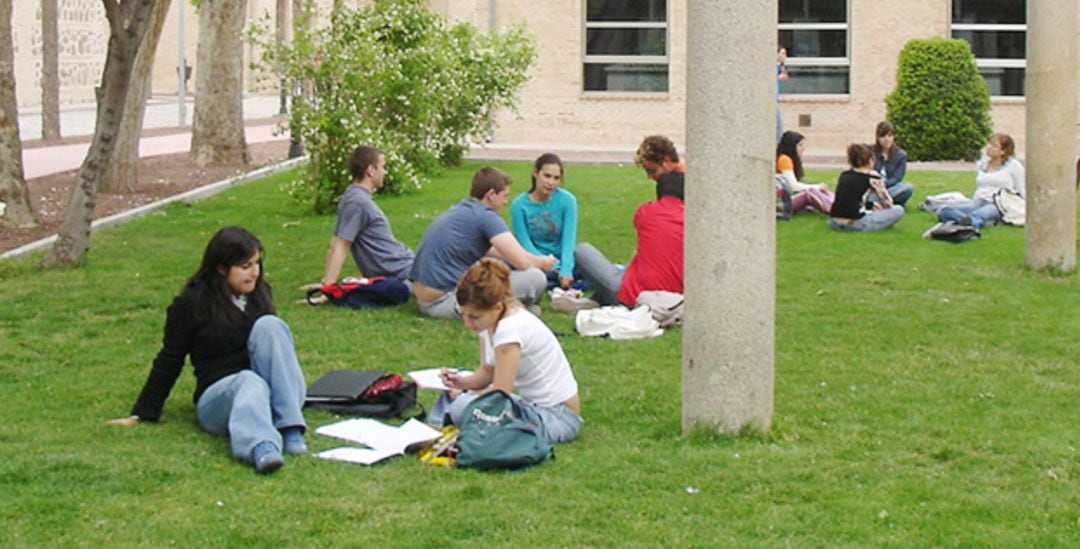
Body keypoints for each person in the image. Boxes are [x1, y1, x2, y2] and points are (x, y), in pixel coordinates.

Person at [107, 227, 307, 475]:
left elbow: (276, 352)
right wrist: (142, 413)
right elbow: (170, 359)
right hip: (222, 395)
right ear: (222, 269)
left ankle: (290, 427)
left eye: (257, 264)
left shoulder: (260, 292)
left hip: (269, 391)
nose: (254, 272)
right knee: (248, 381)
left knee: (271, 325)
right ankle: (261, 447)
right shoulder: (191, 304)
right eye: (246, 266)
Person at [430, 258, 582, 444]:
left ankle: (442, 428)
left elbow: (500, 394)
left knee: (462, 406)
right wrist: (461, 383)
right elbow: (488, 371)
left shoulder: (509, 329)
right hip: (530, 406)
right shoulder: (489, 324)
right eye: (464, 315)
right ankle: (446, 425)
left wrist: (466, 396)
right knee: (461, 400)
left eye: (474, 317)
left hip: (556, 416)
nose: (468, 323)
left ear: (497, 307)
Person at [409, 166, 555, 319]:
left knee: (499, 268)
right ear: (491, 194)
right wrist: (543, 262)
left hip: (424, 299)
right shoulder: (485, 216)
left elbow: (496, 253)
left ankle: (519, 309)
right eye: (504, 196)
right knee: (535, 277)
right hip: (448, 301)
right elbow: (522, 262)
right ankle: (522, 308)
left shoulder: (462, 209)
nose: (505, 202)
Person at [313, 145, 414, 304]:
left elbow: (335, 245)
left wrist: (327, 284)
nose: (385, 172)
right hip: (401, 271)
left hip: (406, 264)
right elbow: (340, 246)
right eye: (383, 167)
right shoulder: (358, 202)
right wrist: (328, 292)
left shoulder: (351, 196)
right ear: (370, 170)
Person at [575, 170, 684, 307]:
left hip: (631, 297)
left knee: (582, 250)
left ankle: (598, 300)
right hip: (674, 301)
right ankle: (597, 299)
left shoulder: (646, 211)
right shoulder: (692, 222)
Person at [510, 153, 580, 289]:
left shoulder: (568, 200)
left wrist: (565, 269)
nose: (551, 183)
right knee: (530, 275)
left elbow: (568, 240)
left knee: (587, 259)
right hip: (535, 260)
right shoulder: (519, 205)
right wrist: (548, 265)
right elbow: (525, 243)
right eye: (547, 176)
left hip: (563, 259)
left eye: (556, 178)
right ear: (535, 174)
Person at [937, 133, 1025, 229]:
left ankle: (968, 221)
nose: (988, 147)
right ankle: (967, 221)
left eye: (993, 145)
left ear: (1003, 151)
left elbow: (1021, 189)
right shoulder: (983, 163)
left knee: (978, 215)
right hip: (978, 201)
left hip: (997, 204)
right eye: (989, 144)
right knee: (944, 210)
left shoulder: (1014, 166)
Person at [828, 143, 905, 232]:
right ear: (870, 160)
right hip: (856, 223)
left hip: (834, 222)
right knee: (898, 210)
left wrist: (870, 205)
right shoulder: (872, 177)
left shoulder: (844, 175)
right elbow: (888, 203)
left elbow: (849, 200)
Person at [776, 131, 834, 214]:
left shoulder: (787, 159)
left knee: (817, 191)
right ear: (791, 147)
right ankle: (834, 209)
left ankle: (838, 204)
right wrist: (817, 186)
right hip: (781, 202)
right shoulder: (784, 159)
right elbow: (794, 186)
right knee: (809, 194)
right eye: (800, 145)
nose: (803, 148)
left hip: (785, 200)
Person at [870, 121, 914, 207]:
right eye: (883, 136)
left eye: (889, 136)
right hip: (873, 188)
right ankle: (882, 201)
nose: (887, 140)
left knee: (907, 187)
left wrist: (883, 184)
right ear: (877, 138)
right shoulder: (870, 151)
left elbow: (897, 178)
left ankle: (878, 200)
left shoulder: (901, 155)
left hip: (891, 187)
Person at [776, 47, 789, 143]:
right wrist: (778, 77)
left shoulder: (780, 67)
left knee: (779, 125)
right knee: (779, 126)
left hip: (777, 100)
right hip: (773, 100)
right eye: (783, 53)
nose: (785, 56)